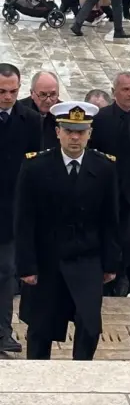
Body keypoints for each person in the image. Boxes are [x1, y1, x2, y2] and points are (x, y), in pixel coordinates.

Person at [14, 101, 119, 360]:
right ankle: (38, 374)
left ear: (89, 134)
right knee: (40, 328)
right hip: (48, 259)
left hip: (87, 257)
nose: (75, 138)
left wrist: (111, 263)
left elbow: (110, 219)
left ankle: (81, 371)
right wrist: (26, 266)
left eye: (81, 132)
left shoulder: (104, 167)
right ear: (57, 132)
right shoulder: (35, 166)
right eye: (69, 131)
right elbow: (24, 220)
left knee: (89, 324)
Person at [88, 72, 130, 296]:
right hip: (107, 192)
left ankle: (122, 279)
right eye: (126, 89)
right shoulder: (101, 119)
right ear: (114, 92)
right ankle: (108, 282)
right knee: (108, 238)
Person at [0, 63, 41, 354]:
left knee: (6, 272)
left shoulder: (30, 120)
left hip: (10, 211)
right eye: (2, 91)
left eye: (13, 91)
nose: (7, 97)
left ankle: (3, 331)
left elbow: (34, 168)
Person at [18, 71, 61, 151]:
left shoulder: (64, 113)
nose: (48, 101)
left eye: (53, 95)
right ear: (32, 93)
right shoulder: (18, 111)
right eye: (43, 95)